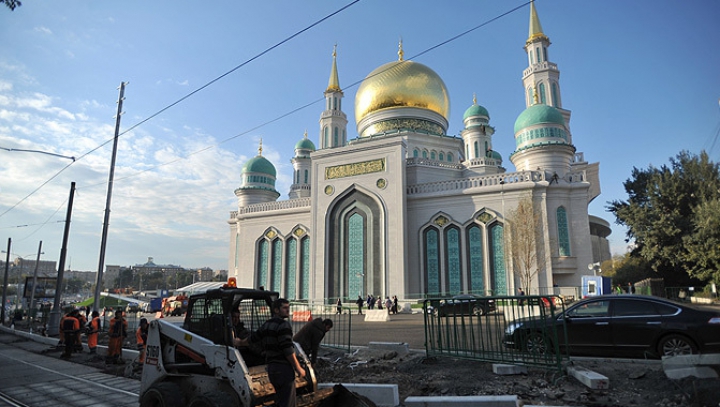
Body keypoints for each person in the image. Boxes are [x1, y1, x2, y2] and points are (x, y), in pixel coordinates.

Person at [238, 299, 305, 407]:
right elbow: (287, 349)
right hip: (284, 369)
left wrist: (240, 342)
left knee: (279, 400)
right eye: (284, 308)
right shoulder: (284, 325)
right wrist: (298, 367)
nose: (288, 310)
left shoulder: (266, 324)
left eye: (288, 307)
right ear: (276, 310)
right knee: (288, 403)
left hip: (272, 369)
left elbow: (252, 339)